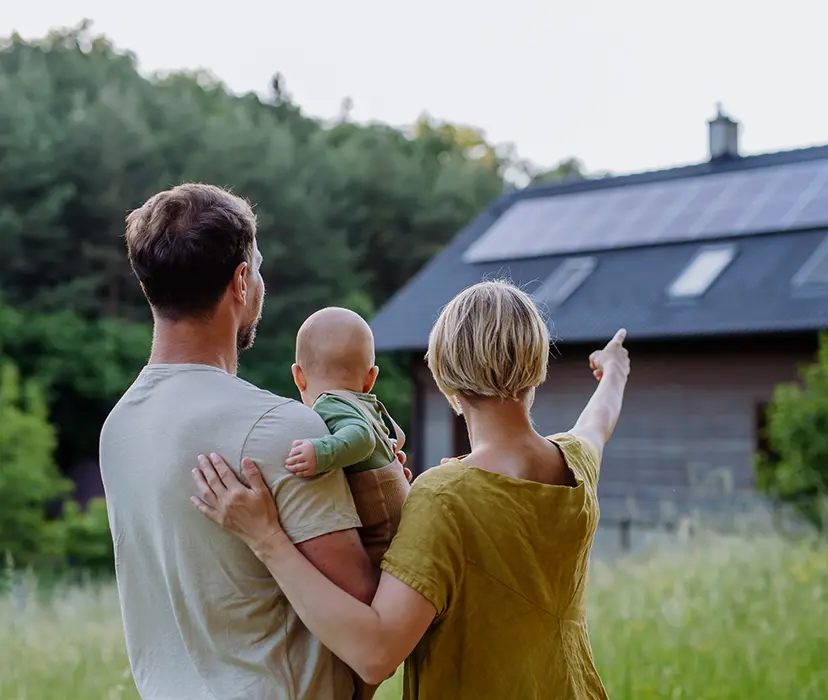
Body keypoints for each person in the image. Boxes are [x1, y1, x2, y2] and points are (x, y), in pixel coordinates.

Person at [191, 280, 630, 699]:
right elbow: (598, 421)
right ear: (537, 364)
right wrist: (614, 370)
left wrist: (267, 539)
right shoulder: (575, 462)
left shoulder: (443, 497)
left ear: (445, 375)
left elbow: (375, 654)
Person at [99, 183, 381, 700]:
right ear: (241, 280)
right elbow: (368, 632)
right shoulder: (281, 428)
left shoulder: (117, 429)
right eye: (260, 267)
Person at [285, 306, 411, 566]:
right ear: (370, 379)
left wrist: (320, 453)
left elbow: (362, 438)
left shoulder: (329, 403)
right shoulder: (364, 404)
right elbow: (388, 438)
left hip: (383, 537)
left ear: (298, 376)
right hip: (404, 523)